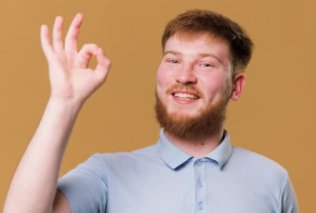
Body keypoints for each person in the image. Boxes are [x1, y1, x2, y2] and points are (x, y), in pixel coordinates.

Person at [4, 9, 298, 213]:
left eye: (206, 64)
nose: (184, 76)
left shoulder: (273, 180)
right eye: (172, 60)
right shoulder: (106, 174)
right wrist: (63, 102)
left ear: (236, 87)